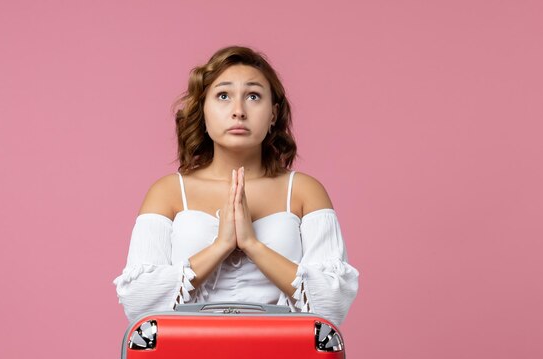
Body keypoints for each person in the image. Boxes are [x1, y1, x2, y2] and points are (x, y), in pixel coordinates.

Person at [113, 46, 359, 326]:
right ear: (203, 111)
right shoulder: (167, 192)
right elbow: (138, 304)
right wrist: (221, 246)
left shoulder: (305, 191)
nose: (239, 111)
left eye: (253, 96)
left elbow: (333, 304)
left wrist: (252, 245)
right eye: (223, 96)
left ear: (273, 114)